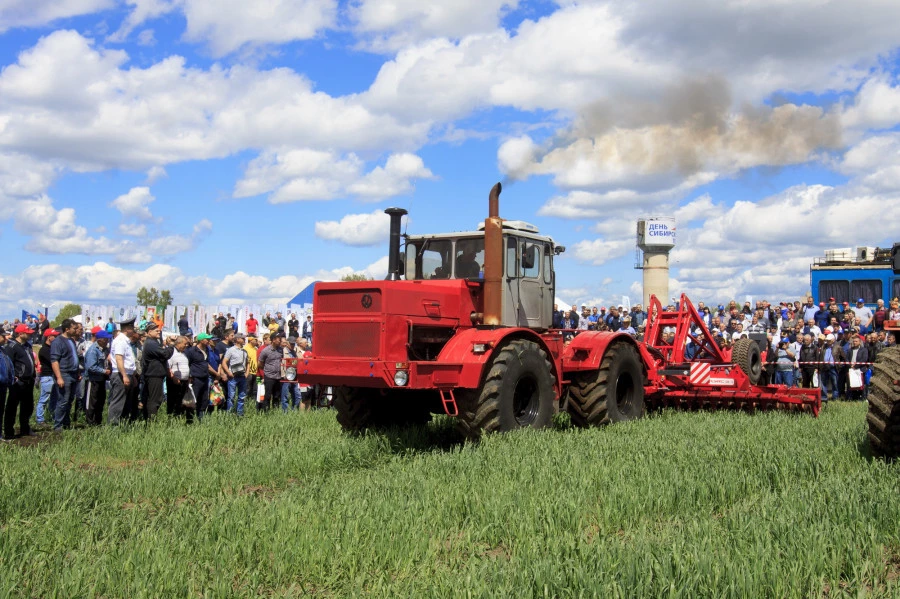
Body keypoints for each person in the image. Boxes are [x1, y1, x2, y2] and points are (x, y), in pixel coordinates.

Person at [3, 324, 37, 440]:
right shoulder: (12, 347)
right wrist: (14, 377)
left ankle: (25, 428)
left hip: (29, 381)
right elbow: (9, 363)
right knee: (12, 406)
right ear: (20, 333)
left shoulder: (27, 345)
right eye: (27, 332)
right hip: (18, 382)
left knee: (27, 406)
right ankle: (9, 431)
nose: (30, 334)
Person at [50, 318, 81, 431]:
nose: (76, 330)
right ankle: (58, 426)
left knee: (69, 401)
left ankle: (66, 424)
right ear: (67, 329)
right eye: (74, 328)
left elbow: (73, 357)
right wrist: (59, 377)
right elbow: (54, 361)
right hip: (64, 374)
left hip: (73, 374)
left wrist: (77, 372)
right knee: (63, 401)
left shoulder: (71, 341)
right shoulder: (58, 342)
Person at [108, 317, 139, 425]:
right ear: (127, 329)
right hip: (121, 375)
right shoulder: (120, 341)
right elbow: (119, 359)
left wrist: (132, 376)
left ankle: (122, 425)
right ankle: (113, 427)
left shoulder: (126, 341)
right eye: (132, 327)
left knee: (126, 403)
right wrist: (124, 375)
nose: (134, 330)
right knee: (118, 402)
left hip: (127, 374)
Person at [141, 323, 175, 420]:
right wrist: (171, 345)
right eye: (156, 330)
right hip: (153, 375)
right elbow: (165, 354)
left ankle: (149, 420)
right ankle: (151, 421)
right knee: (154, 400)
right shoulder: (151, 344)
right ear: (149, 332)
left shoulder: (153, 343)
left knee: (153, 399)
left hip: (155, 374)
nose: (158, 331)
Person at [184, 333, 217, 420]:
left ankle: (200, 418)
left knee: (204, 399)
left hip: (205, 377)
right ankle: (189, 419)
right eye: (207, 339)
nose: (209, 341)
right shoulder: (191, 351)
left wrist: (216, 374)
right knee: (193, 399)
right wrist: (189, 376)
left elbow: (207, 364)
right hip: (195, 378)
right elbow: (187, 364)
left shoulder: (207, 350)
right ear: (201, 340)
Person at [83, 330, 112, 426]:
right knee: (92, 401)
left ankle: (98, 421)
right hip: (93, 380)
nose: (107, 340)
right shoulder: (93, 350)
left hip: (101, 379)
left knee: (100, 400)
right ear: (100, 340)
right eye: (105, 339)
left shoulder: (104, 350)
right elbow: (91, 367)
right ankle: (90, 422)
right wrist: (104, 371)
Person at [36, 328, 61, 426]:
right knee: (44, 399)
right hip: (47, 376)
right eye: (54, 336)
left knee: (54, 398)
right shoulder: (44, 350)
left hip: (52, 376)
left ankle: (52, 416)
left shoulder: (51, 349)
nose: (56, 337)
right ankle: (40, 419)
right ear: (49, 337)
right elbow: (54, 361)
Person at [166, 336, 192, 420]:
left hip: (184, 381)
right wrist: (173, 377)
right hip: (174, 381)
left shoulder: (184, 353)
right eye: (185, 344)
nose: (186, 345)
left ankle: (179, 416)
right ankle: (171, 418)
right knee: (173, 400)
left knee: (181, 401)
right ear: (179, 343)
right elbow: (168, 367)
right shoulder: (172, 353)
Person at [223, 333, 249, 416]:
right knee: (231, 396)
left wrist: (247, 373)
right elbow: (224, 362)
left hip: (242, 377)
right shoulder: (231, 350)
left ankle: (240, 413)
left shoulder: (245, 351)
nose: (244, 340)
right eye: (242, 338)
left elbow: (248, 363)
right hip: (233, 377)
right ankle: (229, 414)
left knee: (242, 396)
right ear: (237, 339)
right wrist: (228, 372)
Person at [258, 332, 285, 411]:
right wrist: (267, 370)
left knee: (277, 396)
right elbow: (260, 363)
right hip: (269, 376)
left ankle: (275, 411)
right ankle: (266, 412)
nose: (280, 341)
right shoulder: (265, 351)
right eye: (278, 339)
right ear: (273, 340)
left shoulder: (281, 350)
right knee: (268, 395)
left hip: (278, 376)